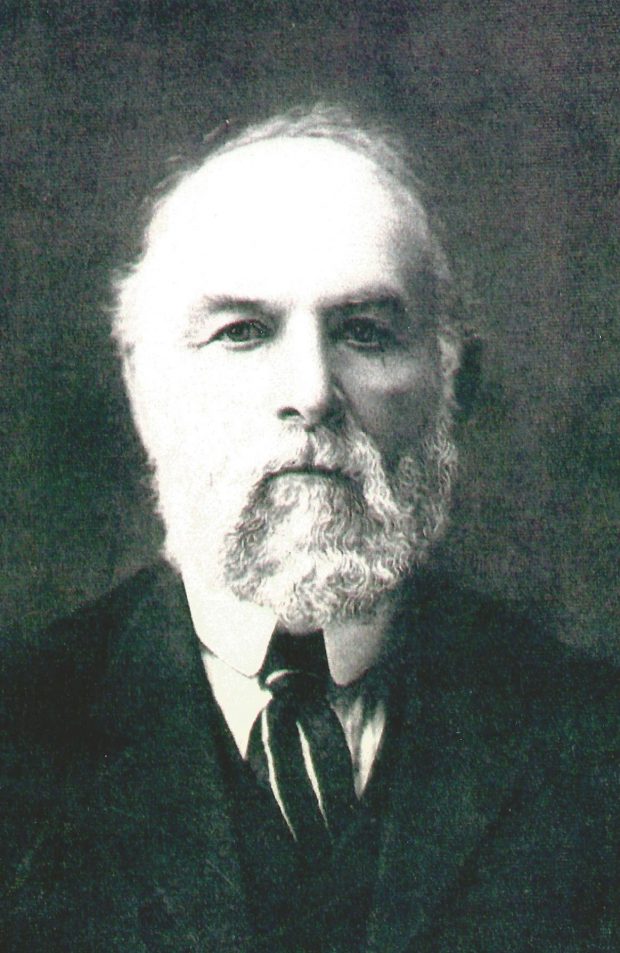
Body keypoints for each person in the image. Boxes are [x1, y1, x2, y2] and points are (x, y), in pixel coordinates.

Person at [1, 104, 618, 953]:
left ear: (452, 386)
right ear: (145, 390)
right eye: (243, 332)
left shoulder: (591, 738)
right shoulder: (22, 735)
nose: (312, 390)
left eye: (365, 332)